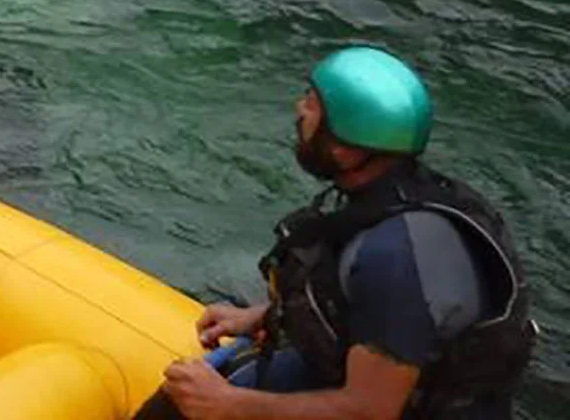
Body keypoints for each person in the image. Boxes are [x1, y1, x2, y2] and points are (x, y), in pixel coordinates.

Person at [136, 47, 534, 420]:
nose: (299, 110)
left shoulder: (394, 257)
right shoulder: (400, 196)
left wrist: (228, 404)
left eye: (312, 104)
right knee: (173, 402)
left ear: (346, 148)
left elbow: (369, 410)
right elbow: (376, 308)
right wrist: (265, 315)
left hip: (392, 407)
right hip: (388, 378)